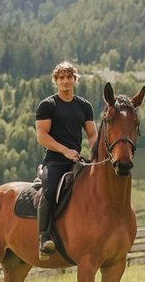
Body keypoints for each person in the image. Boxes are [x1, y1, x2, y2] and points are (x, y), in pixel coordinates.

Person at [35, 61, 98, 260]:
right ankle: (44, 238)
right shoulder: (48, 105)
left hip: (77, 160)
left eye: (69, 77)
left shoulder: (84, 106)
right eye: (61, 78)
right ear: (56, 80)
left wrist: (95, 155)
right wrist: (65, 151)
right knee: (50, 190)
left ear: (74, 79)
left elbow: (92, 135)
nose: (65, 81)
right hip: (54, 161)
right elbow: (42, 136)